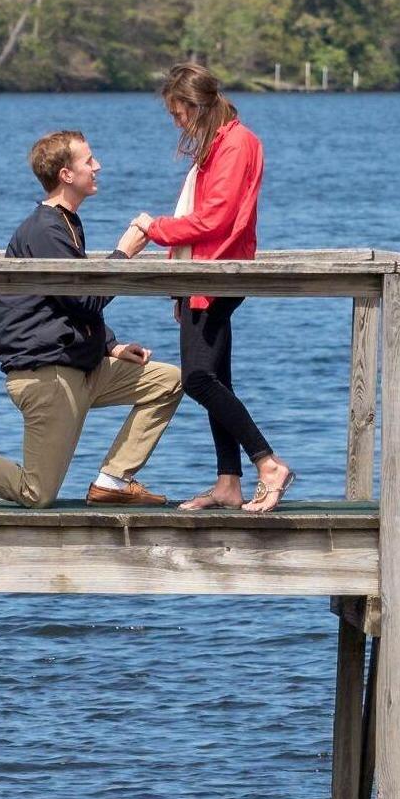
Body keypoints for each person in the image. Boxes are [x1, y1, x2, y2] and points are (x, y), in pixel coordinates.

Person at [0, 130, 180, 509]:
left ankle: (114, 480)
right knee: (36, 494)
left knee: (168, 381)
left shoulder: (66, 223)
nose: (97, 166)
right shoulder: (45, 229)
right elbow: (85, 299)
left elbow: (64, 305)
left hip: (80, 367)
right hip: (47, 375)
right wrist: (123, 255)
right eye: (88, 161)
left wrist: (110, 345)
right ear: (67, 174)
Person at [129, 63, 295, 513]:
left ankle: (267, 462)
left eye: (177, 113)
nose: (176, 122)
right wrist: (178, 285)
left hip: (217, 273)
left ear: (195, 105)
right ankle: (228, 483)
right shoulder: (221, 143)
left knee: (198, 379)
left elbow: (216, 218)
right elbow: (206, 216)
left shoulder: (236, 144)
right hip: (202, 273)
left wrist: (154, 228)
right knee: (216, 378)